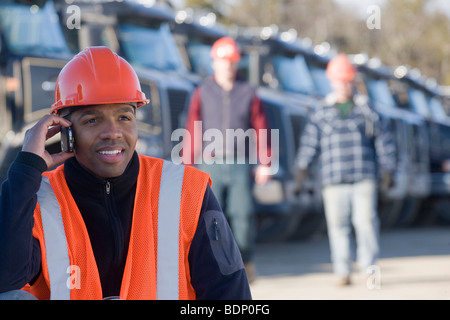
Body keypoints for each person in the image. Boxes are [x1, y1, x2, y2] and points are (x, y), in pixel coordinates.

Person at [0, 46, 251, 300]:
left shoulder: (186, 191)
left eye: (123, 117)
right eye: (92, 120)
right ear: (65, 131)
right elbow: (6, 280)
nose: (113, 132)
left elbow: (231, 294)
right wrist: (27, 167)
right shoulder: (36, 196)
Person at [294, 54, 396, 286]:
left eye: (347, 80)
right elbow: (310, 143)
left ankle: (369, 267)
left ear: (353, 81)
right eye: (339, 80)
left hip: (364, 176)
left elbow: (384, 140)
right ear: (331, 81)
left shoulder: (368, 110)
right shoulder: (321, 111)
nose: (343, 85)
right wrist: (302, 169)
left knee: (366, 222)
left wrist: (388, 169)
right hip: (333, 178)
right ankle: (342, 271)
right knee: (337, 226)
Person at [182, 37, 272, 282]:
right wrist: (188, 164)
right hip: (209, 163)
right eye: (222, 61)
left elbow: (261, 127)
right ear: (214, 63)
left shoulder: (249, 92)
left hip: (240, 162)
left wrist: (265, 162)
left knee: (242, 215)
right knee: (210, 218)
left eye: (231, 61)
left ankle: (246, 263)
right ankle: (213, 266)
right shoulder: (202, 91)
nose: (227, 66)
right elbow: (192, 127)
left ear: (237, 63)